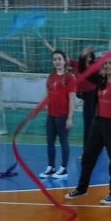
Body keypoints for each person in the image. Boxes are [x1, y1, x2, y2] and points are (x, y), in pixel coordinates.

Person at [65, 53, 111, 204]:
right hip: (98, 124)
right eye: (105, 64)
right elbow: (85, 70)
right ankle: (81, 189)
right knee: (87, 157)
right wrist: (85, 57)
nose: (107, 66)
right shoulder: (100, 83)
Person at [39, 50, 76, 179]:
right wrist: (43, 104)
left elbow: (72, 99)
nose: (57, 61)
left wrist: (70, 118)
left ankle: (64, 169)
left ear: (65, 61)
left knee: (63, 142)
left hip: (63, 116)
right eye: (55, 59)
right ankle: (51, 167)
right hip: (51, 115)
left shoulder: (69, 78)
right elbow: (48, 93)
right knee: (50, 142)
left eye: (59, 59)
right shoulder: (51, 76)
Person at [74, 47, 98, 145]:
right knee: (88, 123)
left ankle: (93, 146)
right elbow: (63, 57)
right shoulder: (78, 65)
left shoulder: (95, 66)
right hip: (84, 95)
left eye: (88, 53)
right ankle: (87, 148)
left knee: (93, 122)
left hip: (94, 95)